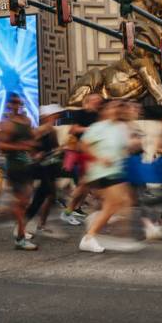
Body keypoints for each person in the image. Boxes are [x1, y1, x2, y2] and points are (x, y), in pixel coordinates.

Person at [79, 99, 143, 254]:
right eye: (112, 107)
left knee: (124, 202)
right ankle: (89, 237)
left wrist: (135, 143)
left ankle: (101, 227)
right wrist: (99, 158)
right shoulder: (98, 127)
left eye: (118, 107)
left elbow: (127, 147)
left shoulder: (121, 127)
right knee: (115, 203)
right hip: (102, 170)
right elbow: (83, 146)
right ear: (105, 110)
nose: (115, 110)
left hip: (116, 170)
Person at [0, 94, 38, 250]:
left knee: (25, 201)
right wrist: (21, 147)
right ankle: (20, 238)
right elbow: (1, 146)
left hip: (27, 166)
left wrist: (34, 148)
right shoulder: (7, 124)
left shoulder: (26, 121)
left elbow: (32, 141)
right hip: (14, 166)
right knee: (21, 202)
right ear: (9, 105)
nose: (16, 105)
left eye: (18, 102)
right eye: (13, 102)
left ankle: (15, 222)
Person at [61, 93, 104, 225]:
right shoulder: (81, 113)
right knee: (86, 186)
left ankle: (71, 211)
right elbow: (73, 130)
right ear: (88, 101)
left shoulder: (100, 115)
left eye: (99, 100)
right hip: (85, 153)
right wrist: (91, 129)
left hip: (97, 153)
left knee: (85, 187)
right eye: (95, 99)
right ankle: (69, 211)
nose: (97, 101)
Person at [25, 104, 65, 236]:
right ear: (47, 117)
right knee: (40, 196)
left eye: (57, 115)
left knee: (51, 196)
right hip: (40, 167)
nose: (57, 117)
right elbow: (28, 145)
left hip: (50, 166)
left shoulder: (52, 131)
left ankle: (41, 224)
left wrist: (60, 150)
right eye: (55, 115)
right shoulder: (40, 130)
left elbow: (55, 149)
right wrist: (34, 154)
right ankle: (23, 225)